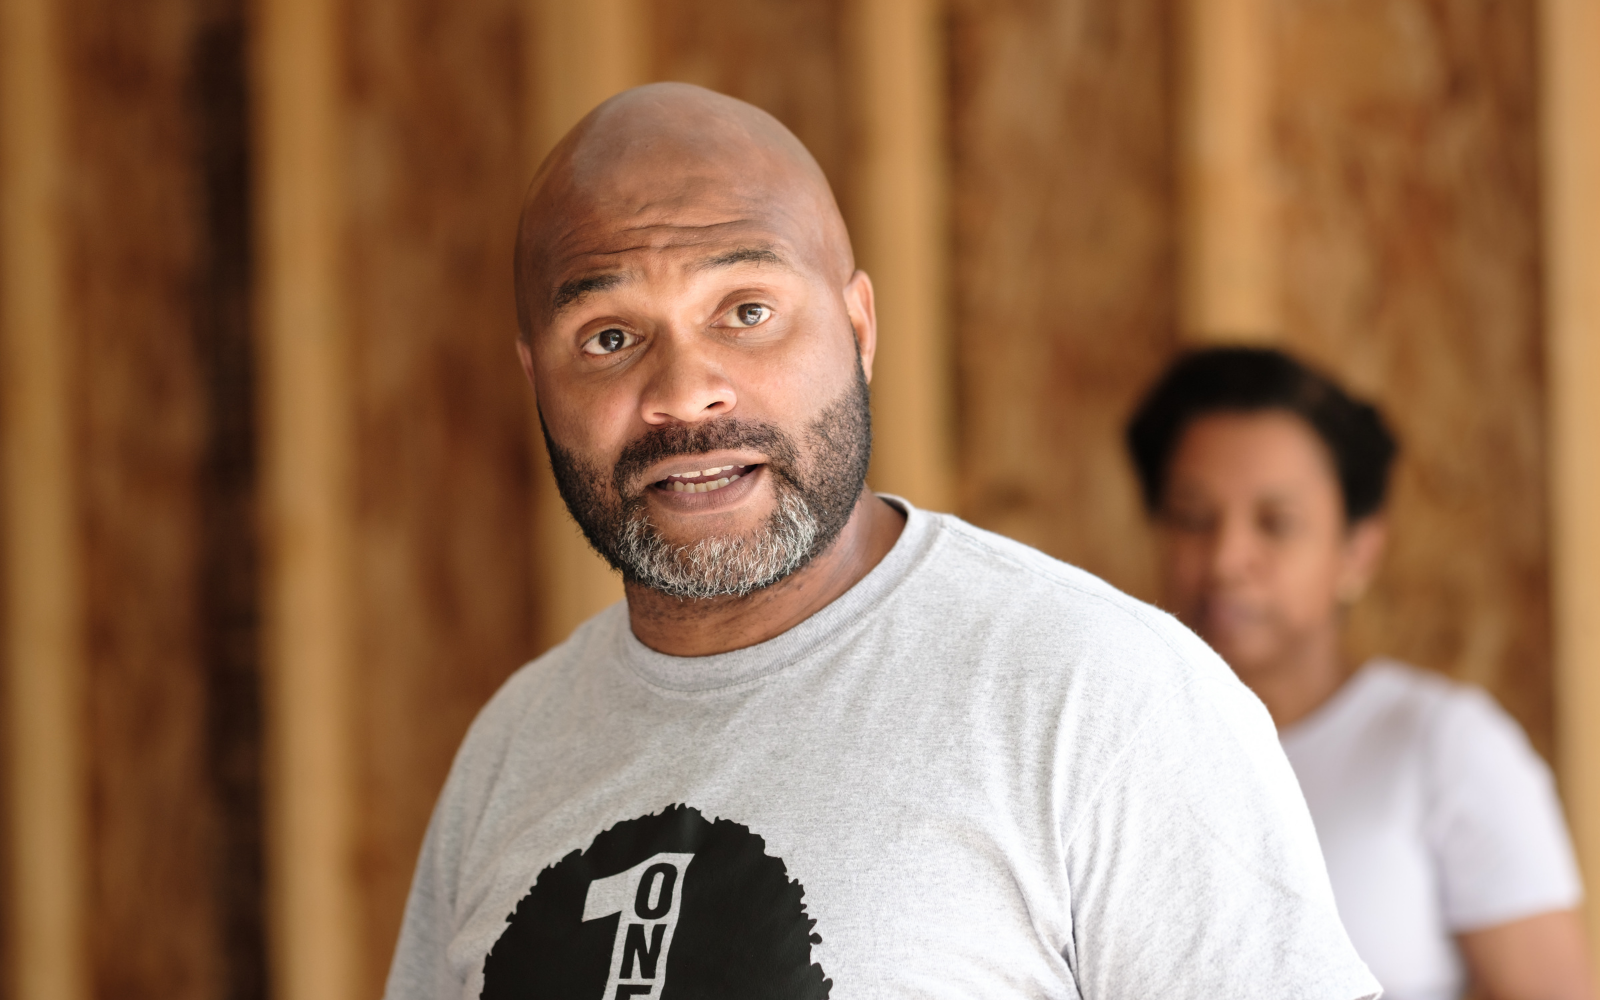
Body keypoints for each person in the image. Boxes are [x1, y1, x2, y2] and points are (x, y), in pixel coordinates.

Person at [384, 84, 1378, 1000]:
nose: (685, 392)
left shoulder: (1097, 696)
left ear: (858, 329)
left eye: (747, 311)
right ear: (536, 380)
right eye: (608, 336)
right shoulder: (513, 747)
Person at [1128, 346, 1592, 1000]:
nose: (1227, 559)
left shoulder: (1445, 749)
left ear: (1357, 551)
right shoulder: (1116, 754)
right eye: (1193, 518)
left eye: (1276, 523)